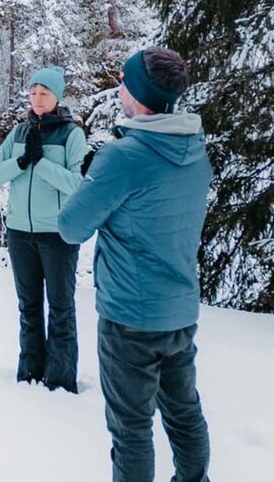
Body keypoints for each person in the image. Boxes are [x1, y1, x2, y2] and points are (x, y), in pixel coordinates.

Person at [59, 47, 212, 482]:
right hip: (180, 311)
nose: (120, 88)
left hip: (130, 318)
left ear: (139, 94)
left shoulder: (123, 157)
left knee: (131, 428)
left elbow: (72, 227)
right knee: (184, 413)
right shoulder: (195, 149)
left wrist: (95, 179)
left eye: (124, 82)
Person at [0, 66, 88, 393]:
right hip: (19, 233)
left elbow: (78, 184)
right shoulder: (18, 133)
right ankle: (28, 376)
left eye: (44, 93)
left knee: (60, 308)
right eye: (33, 92)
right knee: (28, 308)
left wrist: (41, 164)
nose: (37, 98)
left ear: (57, 96)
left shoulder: (72, 135)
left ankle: (59, 382)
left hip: (57, 235)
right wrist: (21, 161)